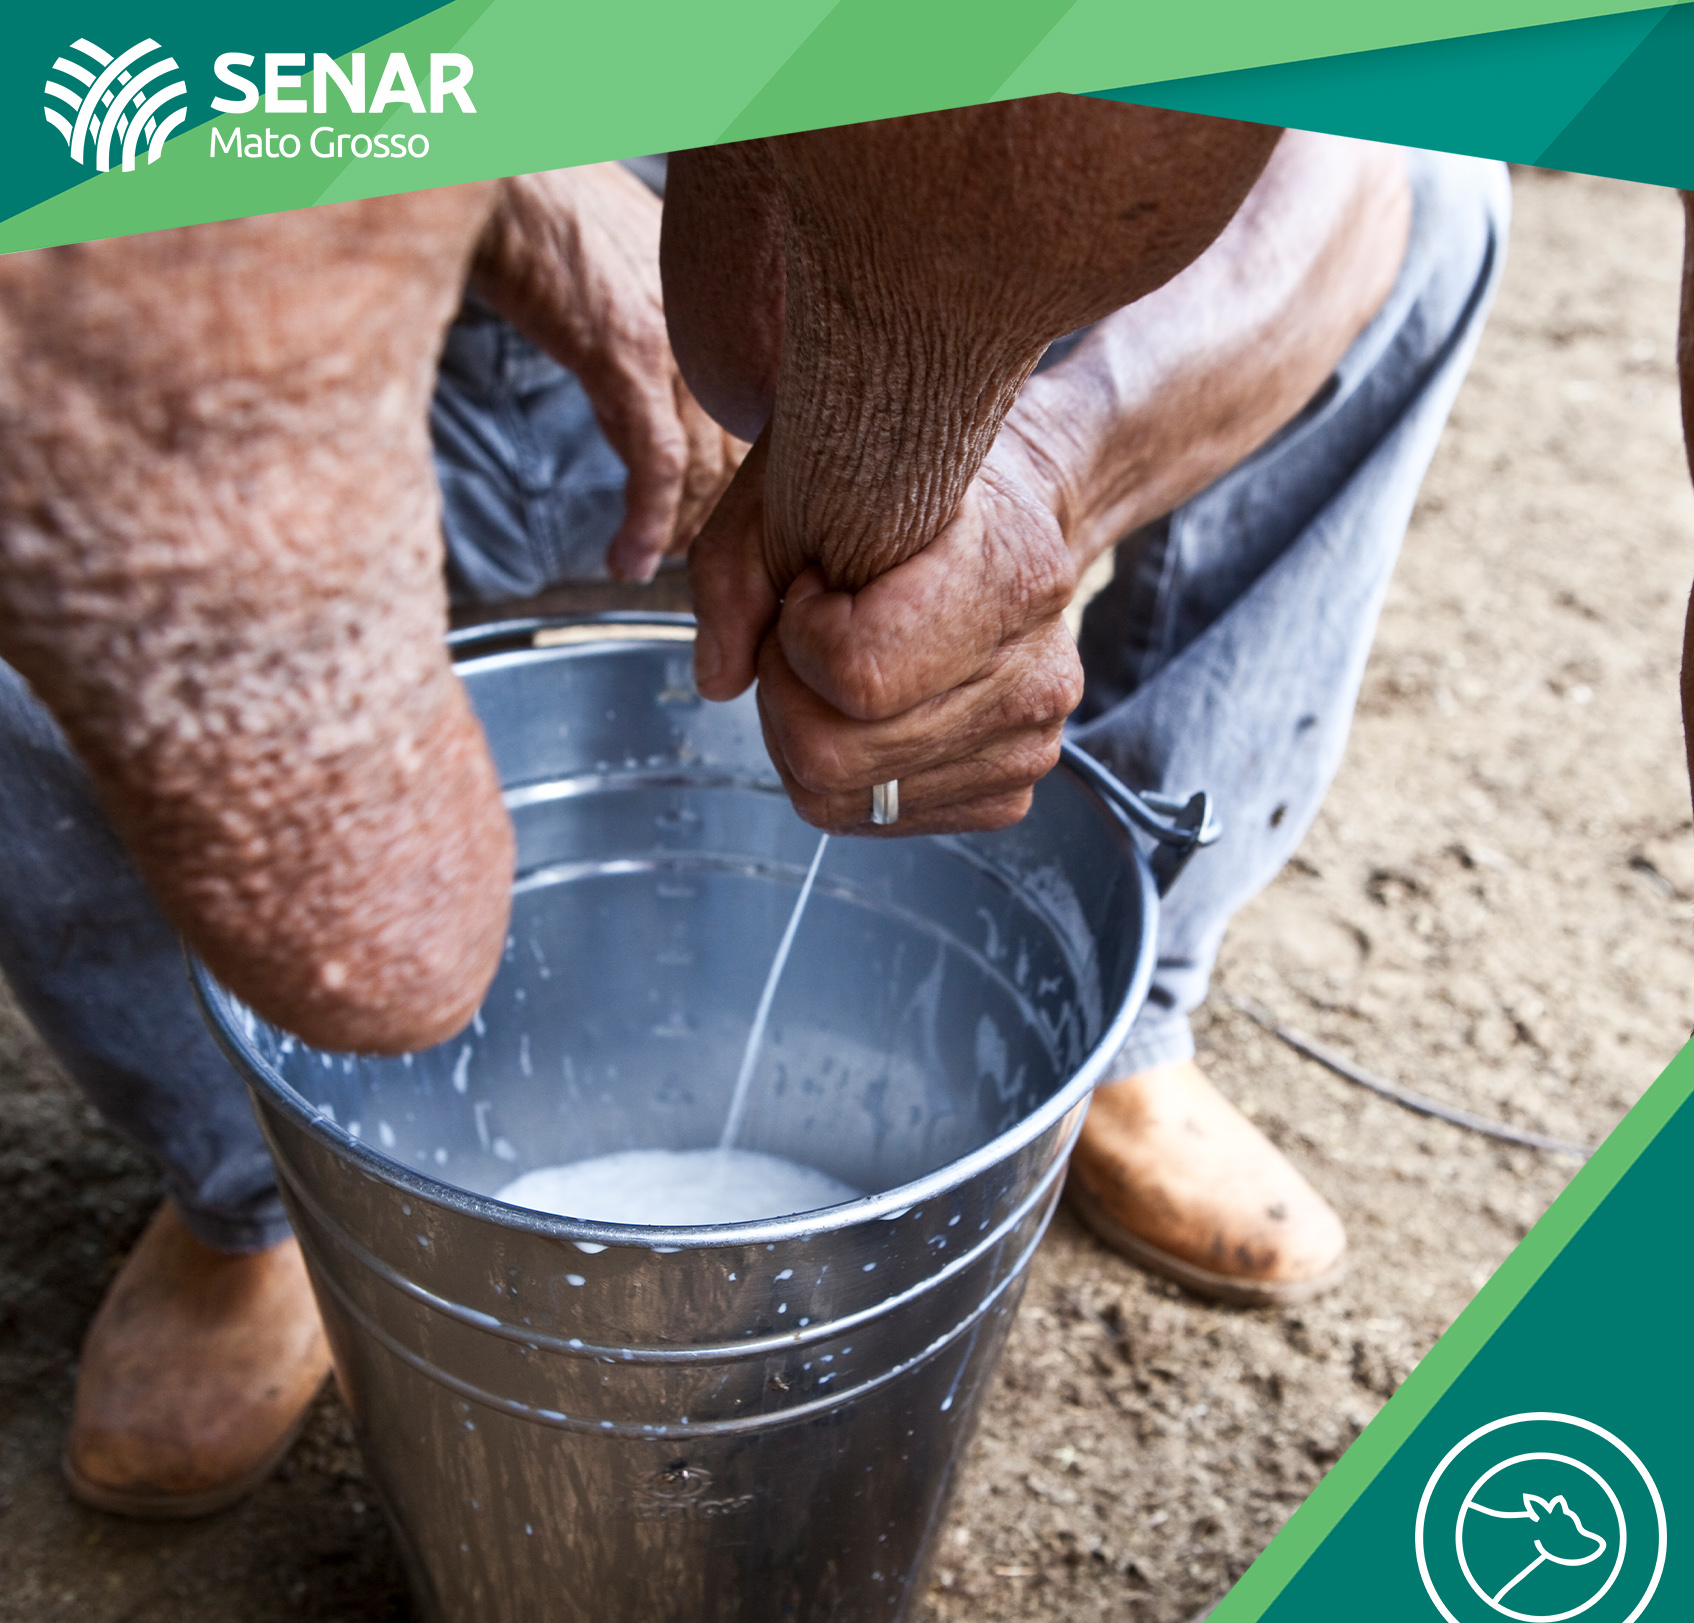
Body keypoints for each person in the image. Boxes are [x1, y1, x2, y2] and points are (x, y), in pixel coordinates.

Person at [0, 132, 1505, 1517]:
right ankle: (259, 1180)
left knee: (1437, 188)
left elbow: (1350, 152)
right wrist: (517, 188)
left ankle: (1122, 1019)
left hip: (855, 224)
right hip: (377, 197)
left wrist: (1053, 474)